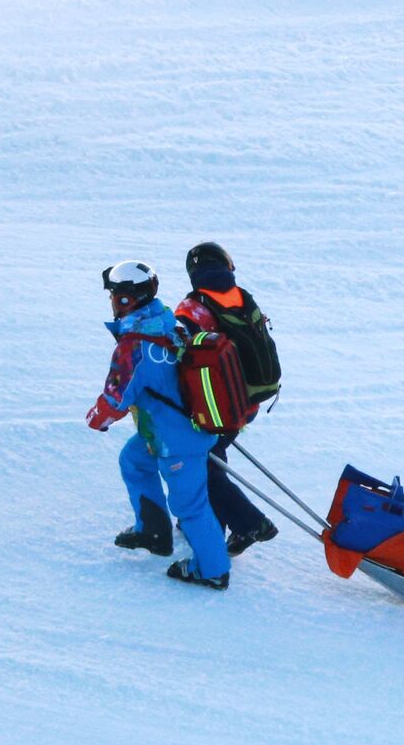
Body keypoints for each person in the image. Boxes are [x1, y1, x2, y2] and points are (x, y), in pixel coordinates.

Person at [86, 260, 232, 590]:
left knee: (190, 505)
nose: (112, 301)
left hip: (178, 439)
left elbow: (116, 400)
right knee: (134, 460)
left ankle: (213, 570)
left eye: (115, 295)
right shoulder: (168, 321)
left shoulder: (133, 347)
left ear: (126, 300)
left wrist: (97, 419)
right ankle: (152, 530)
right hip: (171, 427)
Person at [175, 242, 280, 557]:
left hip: (215, 406)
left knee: (201, 464)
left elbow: (179, 351)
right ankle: (210, 520)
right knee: (213, 456)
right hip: (248, 402)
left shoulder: (193, 307)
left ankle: (249, 522)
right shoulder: (242, 298)